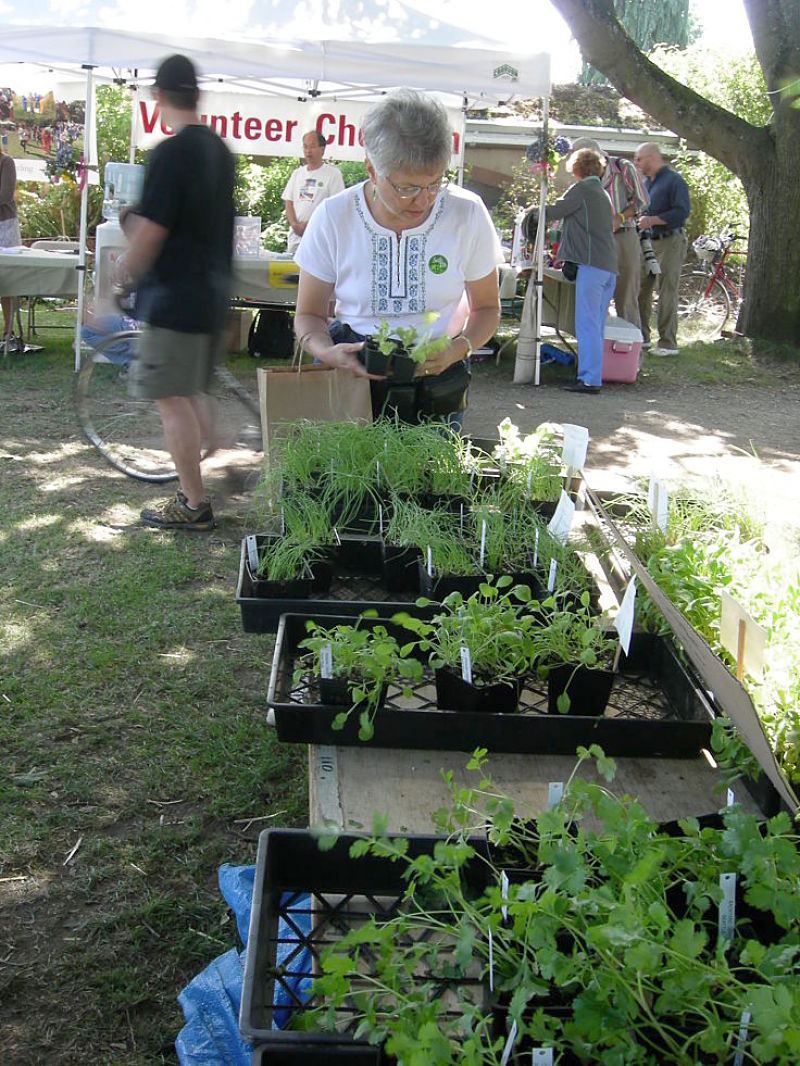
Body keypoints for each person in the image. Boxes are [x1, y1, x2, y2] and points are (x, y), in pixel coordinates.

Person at [293, 88, 503, 427]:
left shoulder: (467, 214)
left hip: (437, 384)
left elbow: (488, 310)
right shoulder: (335, 216)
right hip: (354, 379)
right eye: (407, 188)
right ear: (372, 171)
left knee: (428, 478)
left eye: (434, 184)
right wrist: (326, 352)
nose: (423, 201)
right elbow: (307, 316)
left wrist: (458, 348)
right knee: (349, 476)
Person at [118, 54, 235, 531]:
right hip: (211, 295)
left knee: (171, 399)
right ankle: (229, 465)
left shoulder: (168, 155)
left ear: (159, 97)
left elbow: (150, 233)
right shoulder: (219, 151)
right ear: (198, 95)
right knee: (191, 390)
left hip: (174, 300)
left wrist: (118, 280)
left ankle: (193, 503)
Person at [523, 148, 617, 395]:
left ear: (577, 168)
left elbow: (553, 211)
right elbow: (578, 227)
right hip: (608, 266)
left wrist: (531, 212)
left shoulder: (583, 189)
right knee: (595, 325)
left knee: (587, 324)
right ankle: (592, 376)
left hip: (592, 266)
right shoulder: (602, 193)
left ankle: (588, 380)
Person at [571, 136, 647, 328]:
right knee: (595, 299)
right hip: (595, 242)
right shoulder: (581, 178)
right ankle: (601, 348)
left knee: (626, 296)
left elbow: (642, 200)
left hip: (623, 236)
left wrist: (620, 217)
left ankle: (630, 349)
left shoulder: (623, 168)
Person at [634, 142, 690, 356]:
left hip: (670, 241)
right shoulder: (646, 184)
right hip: (648, 241)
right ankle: (642, 336)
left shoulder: (674, 181)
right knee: (641, 288)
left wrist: (653, 220)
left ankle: (667, 343)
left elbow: (682, 212)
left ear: (651, 157)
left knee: (666, 290)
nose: (636, 163)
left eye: (639, 159)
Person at [282, 130, 344, 257]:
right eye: (305, 147)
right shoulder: (297, 174)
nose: (308, 151)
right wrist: (294, 225)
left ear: (322, 149)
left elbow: (336, 206)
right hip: (296, 240)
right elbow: (288, 202)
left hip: (319, 240)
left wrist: (310, 225)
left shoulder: (333, 174)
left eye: (312, 146)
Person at [0, 143, 21, 351]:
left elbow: (5, 195)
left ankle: (9, 329)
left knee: (8, 277)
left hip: (4, 225)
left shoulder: (6, 162)